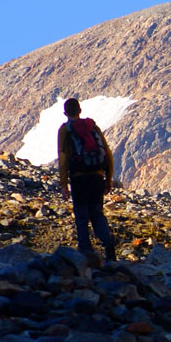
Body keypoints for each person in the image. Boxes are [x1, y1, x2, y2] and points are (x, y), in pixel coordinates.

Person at [57, 97, 117, 264]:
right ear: (80, 110)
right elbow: (108, 153)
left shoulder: (65, 130)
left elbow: (63, 158)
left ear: (65, 113)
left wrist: (64, 185)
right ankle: (108, 244)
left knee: (82, 216)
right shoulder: (93, 127)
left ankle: (85, 254)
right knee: (97, 213)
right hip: (97, 177)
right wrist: (108, 179)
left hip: (79, 179)